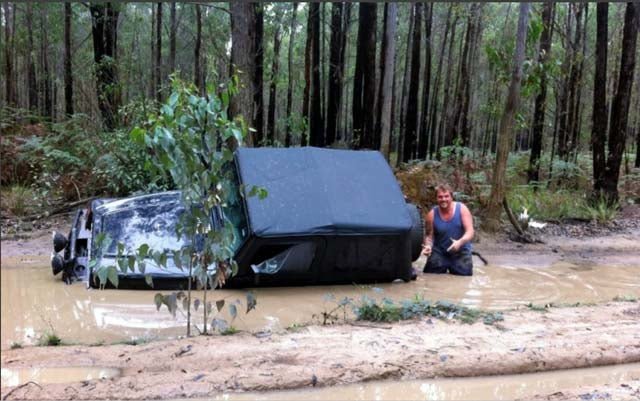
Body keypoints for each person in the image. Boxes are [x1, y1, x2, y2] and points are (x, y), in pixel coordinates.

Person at [422, 183, 475, 276]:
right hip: (440, 252)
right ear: (436, 198)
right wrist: (428, 246)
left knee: (464, 280)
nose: (443, 199)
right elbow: (429, 236)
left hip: (461, 252)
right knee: (429, 277)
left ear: (451, 197)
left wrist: (459, 242)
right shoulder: (431, 214)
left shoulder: (462, 209)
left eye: (446, 196)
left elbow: (470, 232)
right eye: (440, 197)